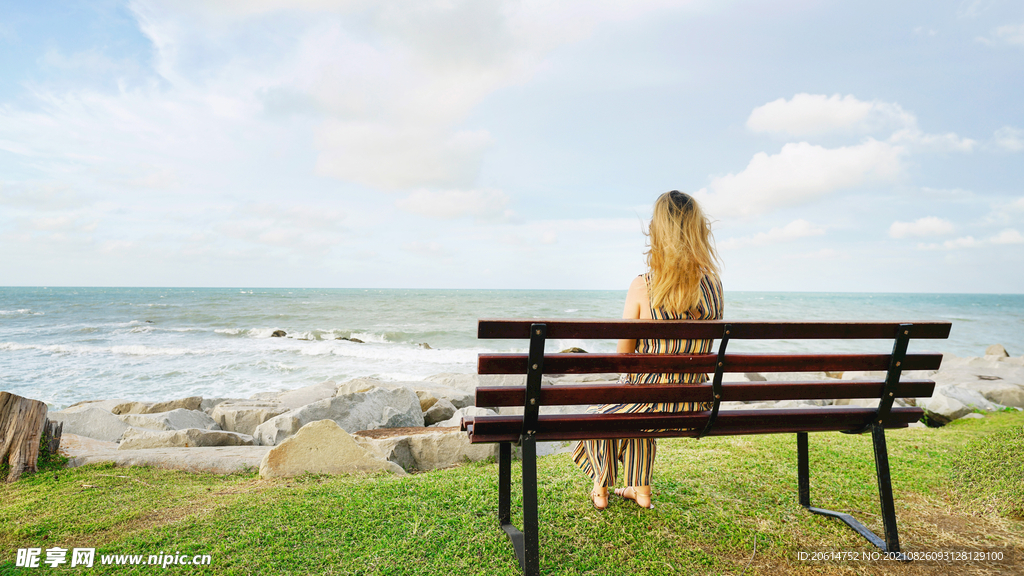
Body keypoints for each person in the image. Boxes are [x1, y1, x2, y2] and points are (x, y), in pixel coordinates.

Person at [571, 190, 723, 510]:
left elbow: (623, 357)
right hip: (695, 403)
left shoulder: (644, 284)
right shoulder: (714, 285)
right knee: (634, 405)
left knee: (600, 415)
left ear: (658, 232)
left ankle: (600, 486)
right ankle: (640, 491)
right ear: (698, 231)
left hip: (652, 401)